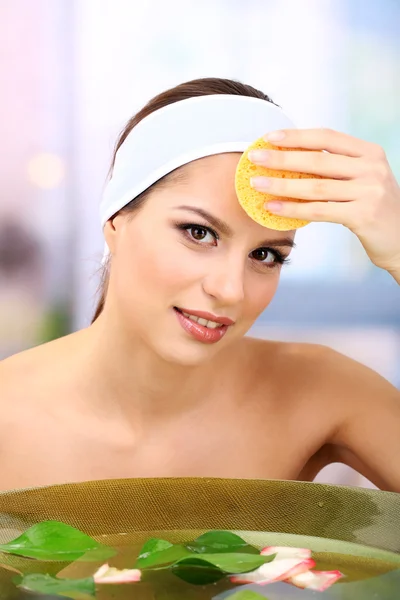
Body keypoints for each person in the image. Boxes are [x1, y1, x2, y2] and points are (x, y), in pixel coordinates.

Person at [1, 77, 399, 493]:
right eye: (198, 232)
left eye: (266, 255)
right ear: (116, 220)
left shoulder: (321, 392)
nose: (231, 290)